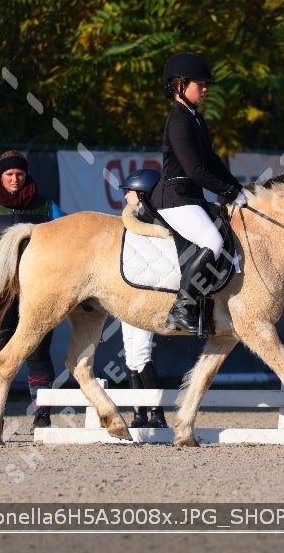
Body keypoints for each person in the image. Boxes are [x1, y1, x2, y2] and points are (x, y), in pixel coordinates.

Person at [0, 150, 63, 428]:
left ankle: (42, 418)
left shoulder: (47, 207)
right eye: (9, 174)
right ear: (0, 176)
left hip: (37, 292)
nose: (14, 179)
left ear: (26, 174)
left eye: (19, 173)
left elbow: (66, 244)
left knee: (38, 351)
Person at [149, 51, 247, 334]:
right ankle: (181, 308)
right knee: (212, 241)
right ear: (180, 85)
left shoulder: (195, 119)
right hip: (174, 197)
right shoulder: (179, 121)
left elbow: (212, 161)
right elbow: (195, 171)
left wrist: (239, 188)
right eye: (199, 84)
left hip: (189, 197)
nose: (205, 90)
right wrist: (229, 191)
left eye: (206, 85)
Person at [119, 168, 168, 428]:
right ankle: (139, 414)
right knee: (130, 355)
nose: (125, 196)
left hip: (149, 295)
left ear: (142, 194)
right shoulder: (130, 220)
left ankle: (157, 415)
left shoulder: (157, 223)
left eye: (129, 191)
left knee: (141, 352)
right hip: (129, 295)